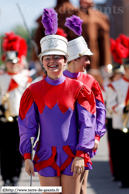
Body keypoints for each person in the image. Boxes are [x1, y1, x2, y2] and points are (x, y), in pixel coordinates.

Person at [18, 8, 96, 194]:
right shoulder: (33, 90)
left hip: (72, 155)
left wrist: (81, 154)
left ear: (65, 60)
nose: (52, 61)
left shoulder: (79, 89)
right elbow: (27, 125)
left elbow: (87, 123)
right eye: (48, 58)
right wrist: (28, 156)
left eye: (57, 57)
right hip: (45, 155)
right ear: (42, 61)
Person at [63, 15, 106, 194]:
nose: (88, 62)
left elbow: (100, 110)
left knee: (81, 188)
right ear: (74, 60)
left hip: (84, 141)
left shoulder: (90, 80)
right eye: (85, 59)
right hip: (61, 143)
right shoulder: (58, 80)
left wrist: (96, 137)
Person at [0, 32, 32, 186]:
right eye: (9, 62)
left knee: (17, 150)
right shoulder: (1, 77)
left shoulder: (25, 78)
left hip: (20, 120)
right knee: (4, 150)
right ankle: (5, 177)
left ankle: (14, 177)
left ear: (19, 62)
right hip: (3, 118)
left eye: (14, 62)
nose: (11, 65)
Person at [106, 34, 129, 188]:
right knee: (122, 153)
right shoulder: (115, 84)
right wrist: (124, 108)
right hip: (121, 122)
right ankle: (124, 178)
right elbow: (111, 105)